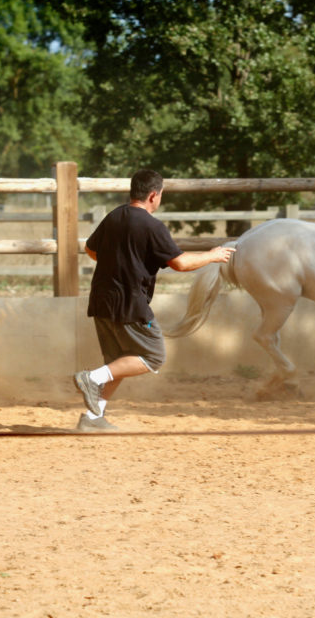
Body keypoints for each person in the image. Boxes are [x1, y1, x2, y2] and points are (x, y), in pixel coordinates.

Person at [73, 168, 235, 432]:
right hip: (131, 304)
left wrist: (118, 263)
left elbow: (91, 249)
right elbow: (181, 263)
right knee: (153, 356)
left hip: (102, 299)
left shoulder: (114, 216)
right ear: (152, 195)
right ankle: (91, 378)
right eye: (160, 195)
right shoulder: (152, 226)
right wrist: (213, 255)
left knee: (119, 361)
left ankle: (92, 418)